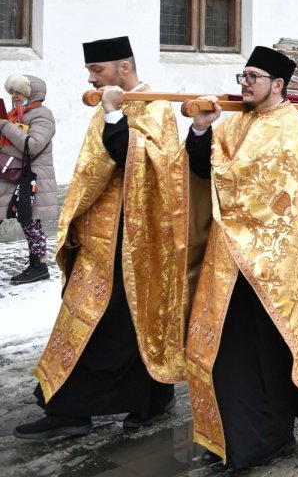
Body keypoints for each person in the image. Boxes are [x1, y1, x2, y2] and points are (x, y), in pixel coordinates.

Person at [184, 46, 298, 468]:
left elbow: (280, 200)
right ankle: (228, 434)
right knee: (225, 353)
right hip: (229, 263)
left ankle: (265, 438)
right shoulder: (236, 124)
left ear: (277, 84)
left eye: (252, 77)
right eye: (242, 75)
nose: (243, 84)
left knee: (265, 354)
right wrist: (203, 131)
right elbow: (208, 171)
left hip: (276, 270)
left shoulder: (295, 131)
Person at [15, 37, 185, 441]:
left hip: (135, 238)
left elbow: (146, 167)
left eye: (99, 70)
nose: (92, 79)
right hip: (100, 235)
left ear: (124, 68)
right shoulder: (113, 103)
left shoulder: (155, 108)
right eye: (91, 71)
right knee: (103, 319)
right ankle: (147, 398)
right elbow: (93, 166)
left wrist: (113, 117)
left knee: (118, 320)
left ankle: (81, 410)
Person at [1, 74, 57, 285]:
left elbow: (32, 146)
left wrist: (4, 126)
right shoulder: (14, 115)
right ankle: (38, 266)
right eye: (12, 92)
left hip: (31, 178)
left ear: (32, 93)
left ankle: (39, 267)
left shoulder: (42, 116)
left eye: (19, 92)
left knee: (30, 222)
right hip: (10, 176)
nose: (14, 96)